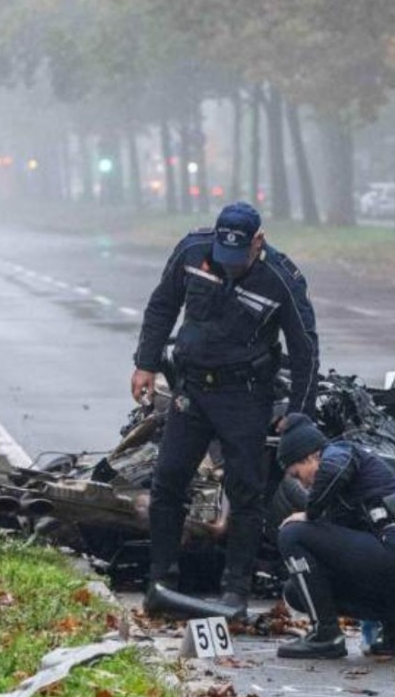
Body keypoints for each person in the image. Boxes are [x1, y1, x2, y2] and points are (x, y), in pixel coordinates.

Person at [130, 201, 319, 620]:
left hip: (245, 395)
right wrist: (145, 362)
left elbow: (304, 348)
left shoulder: (281, 279)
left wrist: (301, 416)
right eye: (223, 255)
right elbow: (162, 305)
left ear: (258, 242)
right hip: (192, 388)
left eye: (240, 258)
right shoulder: (193, 252)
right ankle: (161, 580)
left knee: (246, 492)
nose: (230, 265)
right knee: (168, 481)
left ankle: (235, 590)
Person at [273, 414, 395, 659]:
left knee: (292, 533)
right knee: (297, 591)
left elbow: (336, 468)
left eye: (297, 474)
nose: (301, 484)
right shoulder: (338, 492)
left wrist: (310, 513)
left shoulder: (339, 452)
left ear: (311, 456)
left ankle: (325, 635)